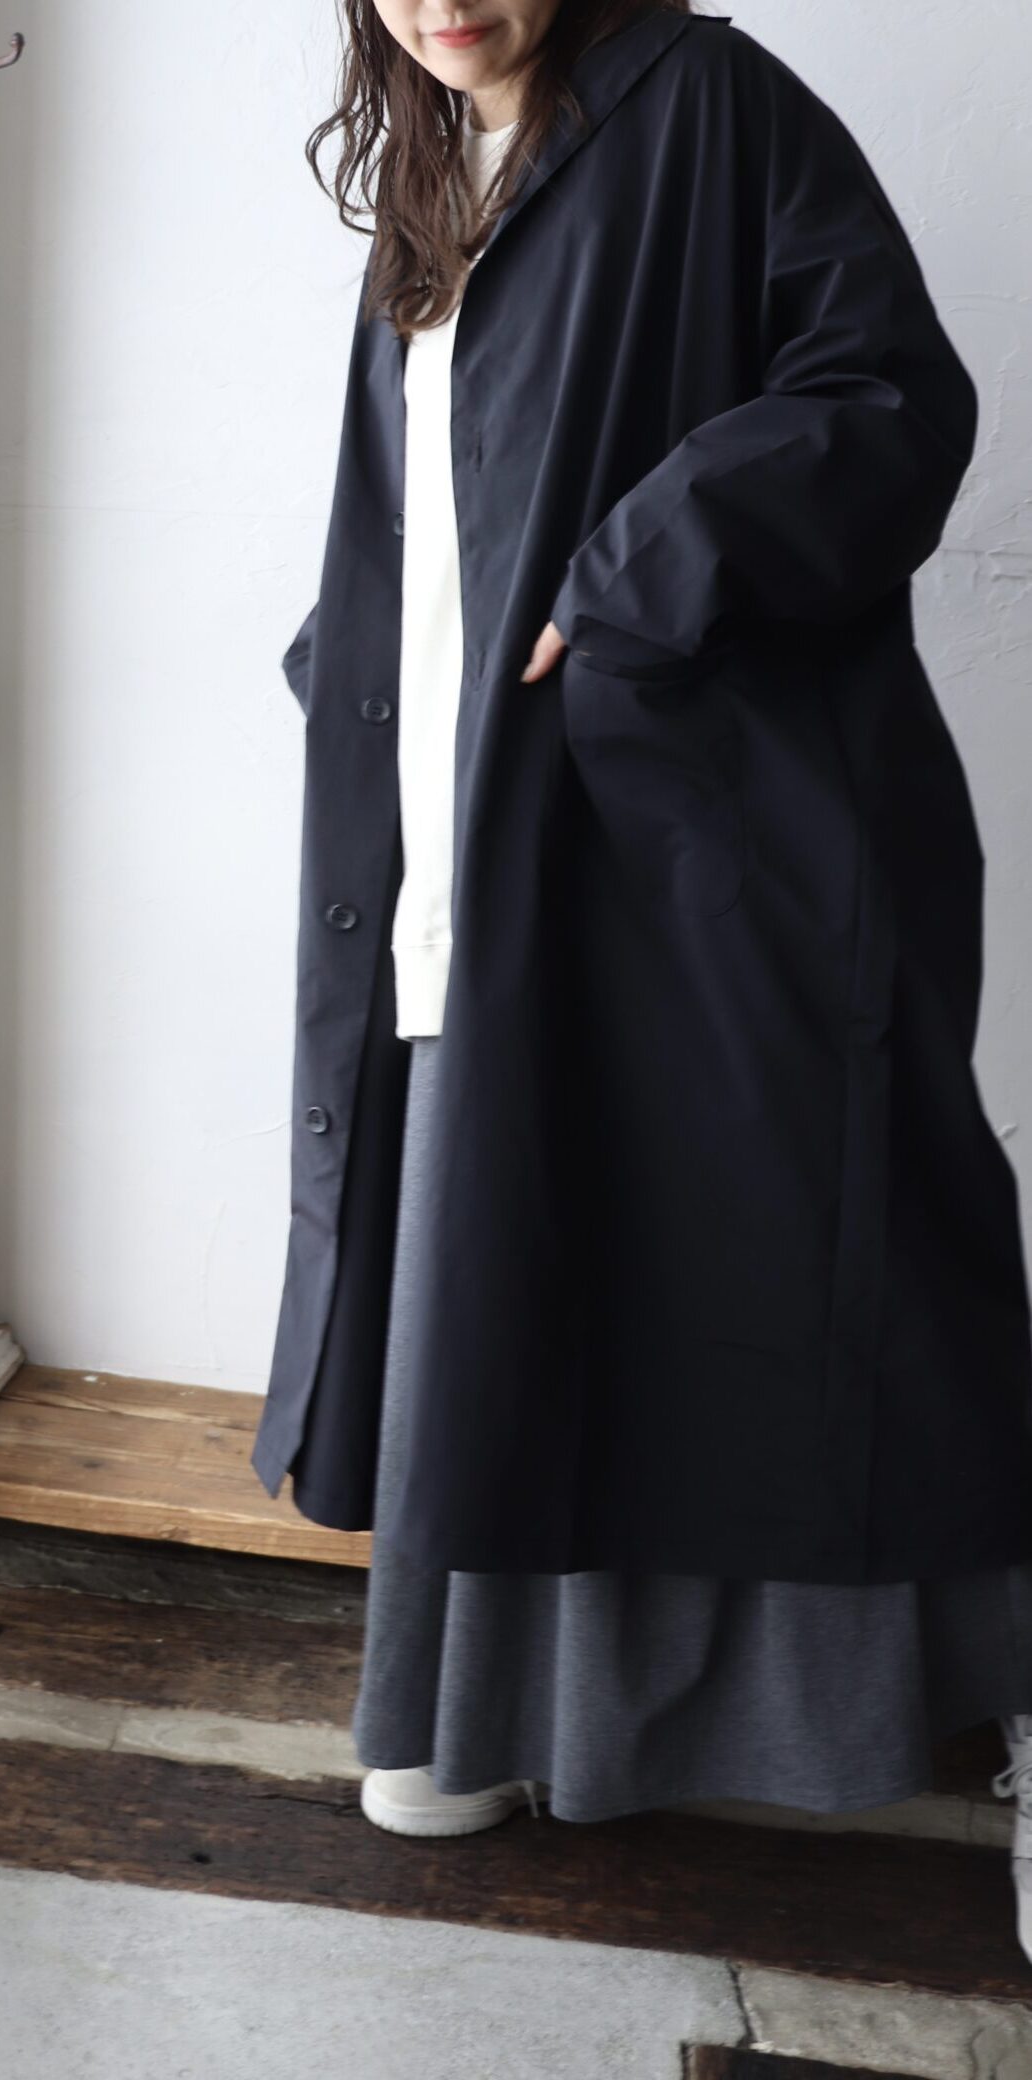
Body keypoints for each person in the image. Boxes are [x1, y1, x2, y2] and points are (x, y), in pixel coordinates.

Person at [253, 0, 1032, 1964]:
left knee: (805, 1244)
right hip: (466, 816)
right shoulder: (434, 164)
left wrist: (632, 581)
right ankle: (482, 1709)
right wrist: (352, 653)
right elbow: (440, 481)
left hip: (677, 809)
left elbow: (892, 395)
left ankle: (975, 1701)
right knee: (496, 1239)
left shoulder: (707, 104)